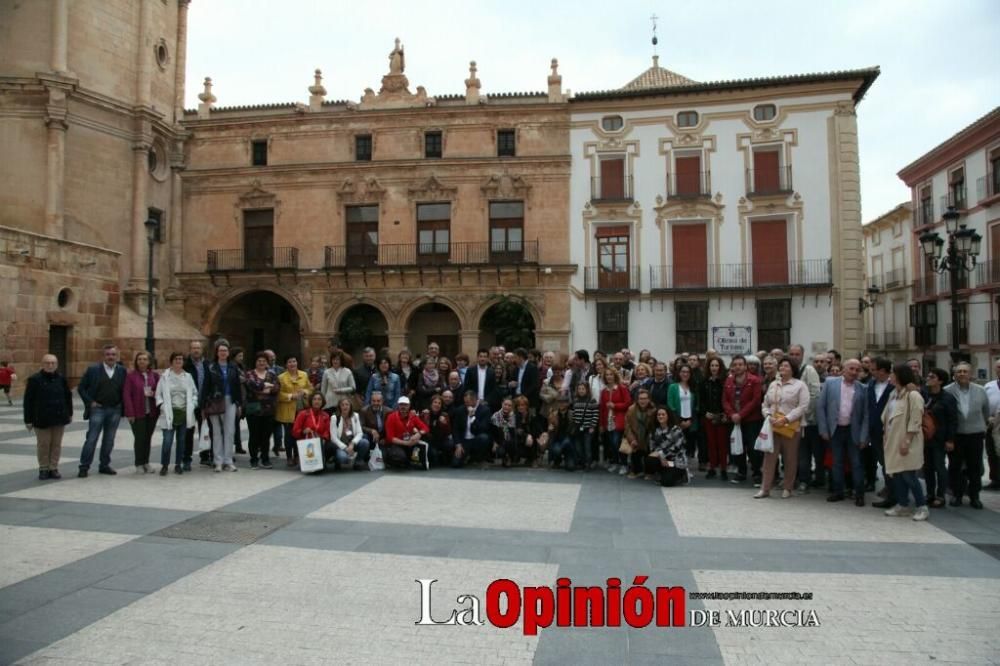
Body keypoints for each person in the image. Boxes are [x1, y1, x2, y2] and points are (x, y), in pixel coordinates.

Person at [816, 359, 869, 506]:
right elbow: (821, 407)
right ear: (843, 369)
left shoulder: (863, 388)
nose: (854, 372)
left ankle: (859, 494)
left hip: (854, 431)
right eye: (851, 368)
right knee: (836, 462)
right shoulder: (830, 384)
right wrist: (824, 429)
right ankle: (838, 492)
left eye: (857, 370)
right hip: (835, 430)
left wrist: (864, 436)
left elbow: (866, 415)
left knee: (856, 463)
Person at [755, 358, 809, 499]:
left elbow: (803, 406)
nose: (783, 367)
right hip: (772, 426)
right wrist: (767, 415)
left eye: (786, 365)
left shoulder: (800, 385)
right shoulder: (774, 384)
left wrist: (786, 419)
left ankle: (788, 488)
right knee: (769, 459)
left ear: (793, 368)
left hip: (790, 427)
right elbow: (765, 403)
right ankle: (765, 488)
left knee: (790, 458)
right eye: (781, 365)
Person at [882, 364, 929, 520]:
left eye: (893, 373)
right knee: (897, 474)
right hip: (893, 440)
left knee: (909, 475)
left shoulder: (913, 396)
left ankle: (922, 506)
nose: (890, 376)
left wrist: (907, 440)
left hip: (907, 441)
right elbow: (886, 417)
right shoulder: (893, 394)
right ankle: (903, 505)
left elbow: (916, 419)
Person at [77, 344, 127, 477]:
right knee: (92, 438)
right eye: (108, 354)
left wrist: (122, 405)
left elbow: (125, 390)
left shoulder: (122, 371)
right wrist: (90, 402)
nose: (111, 357)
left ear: (117, 356)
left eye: (113, 354)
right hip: (98, 409)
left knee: (109, 439)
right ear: (103, 356)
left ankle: (104, 465)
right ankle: (84, 466)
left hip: (115, 409)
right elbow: (81, 388)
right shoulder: (93, 370)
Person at [944, 362, 989, 509]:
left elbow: (986, 411)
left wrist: (983, 426)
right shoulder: (947, 391)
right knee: (955, 466)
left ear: (970, 374)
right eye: (959, 372)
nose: (962, 374)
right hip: (956, 435)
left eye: (965, 371)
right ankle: (957, 495)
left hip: (975, 434)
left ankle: (975, 496)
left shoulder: (981, 390)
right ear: (954, 375)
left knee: (975, 467)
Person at [23, 354, 72, 480]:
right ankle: (44, 468)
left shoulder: (61, 379)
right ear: (42, 364)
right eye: (47, 363)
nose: (50, 365)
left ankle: (53, 467)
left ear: (56, 365)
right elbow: (28, 401)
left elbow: (68, 397)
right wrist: (28, 419)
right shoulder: (34, 379)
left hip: (59, 417)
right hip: (41, 418)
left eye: (53, 363)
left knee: (56, 444)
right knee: (43, 444)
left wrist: (69, 413)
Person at [201, 339, 243, 472]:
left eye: (225, 350)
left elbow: (237, 386)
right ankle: (217, 460)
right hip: (215, 401)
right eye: (220, 350)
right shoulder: (211, 367)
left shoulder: (233, 367)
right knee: (217, 431)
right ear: (217, 352)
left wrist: (239, 404)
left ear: (228, 352)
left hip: (230, 400)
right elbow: (205, 386)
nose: (223, 353)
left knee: (230, 431)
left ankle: (228, 460)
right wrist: (203, 405)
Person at [723, 355, 764, 485]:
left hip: (751, 420)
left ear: (745, 366)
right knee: (737, 446)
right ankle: (741, 472)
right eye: (735, 364)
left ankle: (757, 473)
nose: (738, 367)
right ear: (732, 367)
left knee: (753, 448)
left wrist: (741, 414)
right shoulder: (728, 381)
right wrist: (732, 414)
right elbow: (725, 401)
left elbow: (756, 400)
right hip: (734, 420)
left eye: (740, 364)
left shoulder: (755, 380)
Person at [155, 352, 197, 476]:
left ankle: (178, 464)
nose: (178, 361)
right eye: (176, 359)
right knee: (167, 441)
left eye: (181, 359)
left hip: (184, 413)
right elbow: (158, 394)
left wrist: (193, 404)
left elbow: (194, 393)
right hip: (169, 412)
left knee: (181, 441)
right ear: (171, 361)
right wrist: (162, 406)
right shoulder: (165, 377)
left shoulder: (188, 377)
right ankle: (164, 465)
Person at [788, 344, 823, 494]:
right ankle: (802, 479)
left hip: (809, 421)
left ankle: (818, 479)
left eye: (797, 354)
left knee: (814, 452)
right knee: (798, 453)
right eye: (792, 354)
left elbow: (815, 395)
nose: (794, 357)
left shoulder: (809, 371)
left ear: (802, 355)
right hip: (790, 421)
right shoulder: (786, 371)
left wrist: (804, 414)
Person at [922, 368, 958, 509]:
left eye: (932, 376)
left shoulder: (948, 398)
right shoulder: (924, 395)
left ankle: (940, 495)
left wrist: (950, 439)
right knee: (927, 468)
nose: (929, 378)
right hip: (926, 437)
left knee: (939, 466)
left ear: (940, 381)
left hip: (940, 438)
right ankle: (930, 493)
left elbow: (953, 420)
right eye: (929, 375)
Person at [122, 350, 160, 474]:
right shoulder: (131, 376)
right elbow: (127, 395)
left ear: (149, 362)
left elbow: (160, 391)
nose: (142, 361)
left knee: (147, 438)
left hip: (151, 412)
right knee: (139, 438)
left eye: (144, 359)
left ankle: (146, 462)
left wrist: (153, 393)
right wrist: (130, 413)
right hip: (138, 413)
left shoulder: (154, 375)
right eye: (139, 359)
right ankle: (139, 463)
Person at [866, 358, 896, 507]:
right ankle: (890, 491)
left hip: (890, 432)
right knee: (883, 463)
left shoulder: (895, 386)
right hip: (875, 431)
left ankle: (894, 495)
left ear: (883, 371)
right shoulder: (871, 384)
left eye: (873, 370)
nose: (871, 372)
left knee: (891, 465)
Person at [244, 352, 279, 469]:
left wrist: (263, 389)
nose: (261, 363)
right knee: (254, 435)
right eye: (259, 361)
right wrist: (265, 386)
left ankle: (265, 458)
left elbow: (276, 388)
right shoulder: (250, 374)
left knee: (266, 436)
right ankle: (254, 459)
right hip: (254, 410)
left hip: (269, 410)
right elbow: (251, 385)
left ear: (267, 362)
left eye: (264, 361)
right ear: (255, 362)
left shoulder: (272, 374)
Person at [183, 340, 211, 470]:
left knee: (204, 429)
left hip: (204, 403)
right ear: (190, 350)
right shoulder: (185, 365)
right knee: (188, 431)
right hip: (189, 403)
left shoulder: (207, 364)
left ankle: (205, 456)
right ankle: (186, 458)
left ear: (202, 350)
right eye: (193, 348)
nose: (196, 350)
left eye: (198, 348)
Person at [699, 357, 728, 481]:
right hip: (709, 417)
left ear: (720, 367)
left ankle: (723, 469)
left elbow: (728, 399)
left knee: (722, 444)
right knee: (711, 443)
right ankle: (712, 468)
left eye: (716, 366)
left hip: (722, 417)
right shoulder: (704, 381)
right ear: (708, 367)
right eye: (712, 366)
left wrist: (725, 414)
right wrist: (705, 413)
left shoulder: (725, 381)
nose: (714, 368)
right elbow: (701, 400)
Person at [384, 396, 429, 469]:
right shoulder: (391, 417)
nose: (403, 407)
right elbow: (390, 438)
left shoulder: (413, 417)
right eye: (401, 404)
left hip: (410, 443)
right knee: (400, 457)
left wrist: (419, 434)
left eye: (405, 405)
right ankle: (390, 462)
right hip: (396, 444)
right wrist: (406, 443)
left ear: (409, 406)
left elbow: (425, 428)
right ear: (398, 405)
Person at [450, 390, 492, 467]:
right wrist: (458, 444)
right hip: (464, 441)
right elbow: (455, 429)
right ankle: (465, 456)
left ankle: (476, 457)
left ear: (475, 400)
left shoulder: (485, 410)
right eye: (465, 402)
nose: (466, 404)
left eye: (468, 402)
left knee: (484, 438)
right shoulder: (460, 410)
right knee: (455, 464)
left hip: (476, 439)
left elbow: (483, 428)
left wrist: (472, 417)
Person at [648, 408, 688, 486]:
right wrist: (661, 457)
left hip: (675, 461)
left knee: (666, 483)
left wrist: (661, 455)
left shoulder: (676, 430)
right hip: (663, 460)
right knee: (650, 459)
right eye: (659, 415)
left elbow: (677, 448)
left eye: (663, 414)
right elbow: (653, 448)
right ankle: (662, 472)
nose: (661, 416)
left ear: (668, 416)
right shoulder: (654, 431)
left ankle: (682, 474)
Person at [328, 395, 369, 470]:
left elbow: (360, 433)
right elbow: (333, 438)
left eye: (347, 404)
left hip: (352, 443)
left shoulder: (355, 416)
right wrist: (345, 448)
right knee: (343, 458)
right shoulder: (334, 418)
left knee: (365, 442)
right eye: (342, 405)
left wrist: (352, 444)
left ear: (350, 406)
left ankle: (358, 462)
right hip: (341, 445)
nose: (345, 407)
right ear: (339, 407)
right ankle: (337, 460)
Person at [667, 364, 699, 460]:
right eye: (683, 372)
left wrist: (690, 420)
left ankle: (686, 472)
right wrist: (680, 421)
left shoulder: (693, 387)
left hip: (691, 421)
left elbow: (696, 405)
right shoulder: (673, 387)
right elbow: (670, 405)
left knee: (689, 449)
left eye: (687, 372)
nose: (685, 374)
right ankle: (676, 470)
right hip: (677, 421)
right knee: (677, 447)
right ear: (679, 373)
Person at [623, 388, 656, 479]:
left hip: (647, 437)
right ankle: (637, 471)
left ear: (649, 399)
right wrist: (632, 439)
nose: (643, 401)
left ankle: (649, 473)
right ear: (637, 399)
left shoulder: (654, 410)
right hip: (635, 436)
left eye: (645, 398)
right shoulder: (631, 409)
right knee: (635, 454)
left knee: (648, 455)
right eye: (641, 398)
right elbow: (627, 426)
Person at [569, 381, 599, 470]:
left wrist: (592, 426)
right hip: (578, 427)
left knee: (587, 446)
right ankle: (581, 461)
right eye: (579, 389)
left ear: (587, 390)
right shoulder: (575, 401)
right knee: (578, 446)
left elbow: (595, 414)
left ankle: (588, 463)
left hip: (588, 428)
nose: (581, 391)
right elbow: (574, 414)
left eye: (583, 389)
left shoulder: (592, 401)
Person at [421, 394, 454, 468]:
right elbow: (422, 429)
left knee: (450, 444)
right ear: (431, 404)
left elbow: (448, 432)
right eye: (435, 402)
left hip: (441, 440)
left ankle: (445, 457)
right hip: (429, 440)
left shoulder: (444, 415)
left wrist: (444, 424)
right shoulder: (425, 413)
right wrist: (424, 417)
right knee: (434, 456)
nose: (437, 405)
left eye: (439, 403)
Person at [982, 357, 1000, 491]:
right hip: (992, 424)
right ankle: (995, 480)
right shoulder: (988, 386)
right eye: (999, 367)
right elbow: (983, 405)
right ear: (995, 369)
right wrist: (987, 418)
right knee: (992, 453)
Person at [360, 391, 391, 458]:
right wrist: (372, 431)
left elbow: (391, 428)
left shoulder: (389, 411)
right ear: (370, 401)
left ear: (382, 401)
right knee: (363, 436)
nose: (376, 403)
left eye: (378, 401)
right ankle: (365, 456)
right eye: (373, 401)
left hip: (383, 439)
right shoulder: (364, 411)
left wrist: (386, 439)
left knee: (383, 457)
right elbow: (361, 427)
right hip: (370, 438)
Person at [546, 395, 574, 470]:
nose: (561, 404)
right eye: (559, 402)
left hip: (568, 440)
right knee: (557, 449)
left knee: (570, 468)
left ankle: (567, 458)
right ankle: (557, 459)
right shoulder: (553, 415)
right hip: (557, 440)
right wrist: (550, 429)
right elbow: (550, 431)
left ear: (567, 404)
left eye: (563, 402)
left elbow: (574, 429)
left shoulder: (572, 414)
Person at [490, 397, 518, 466]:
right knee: (500, 451)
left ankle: (510, 457)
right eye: (505, 404)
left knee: (511, 441)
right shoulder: (495, 416)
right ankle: (504, 457)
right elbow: (492, 431)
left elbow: (514, 432)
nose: (507, 407)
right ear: (502, 404)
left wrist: (509, 419)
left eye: (509, 405)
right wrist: (494, 442)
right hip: (500, 440)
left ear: (512, 407)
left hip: (512, 440)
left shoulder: (515, 416)